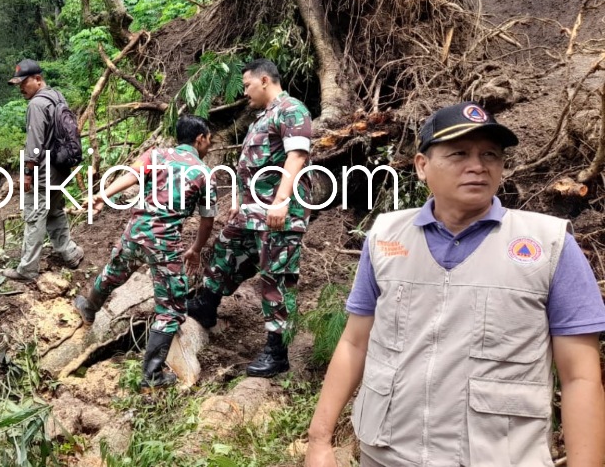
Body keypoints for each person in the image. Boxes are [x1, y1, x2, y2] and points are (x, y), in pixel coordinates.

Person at [305, 102, 605, 467]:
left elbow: (580, 378)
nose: (478, 166)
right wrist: (319, 441)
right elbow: (355, 343)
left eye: (490, 154)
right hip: (385, 456)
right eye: (459, 153)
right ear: (421, 166)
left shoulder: (551, 245)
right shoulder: (385, 236)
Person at [186, 58, 313, 378]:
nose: (245, 92)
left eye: (247, 86)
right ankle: (206, 305)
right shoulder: (263, 117)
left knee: (275, 276)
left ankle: (277, 349)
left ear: (266, 80)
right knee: (226, 248)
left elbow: (297, 154)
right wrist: (240, 201)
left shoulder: (291, 109)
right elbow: (253, 165)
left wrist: (282, 200)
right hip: (253, 210)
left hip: (278, 212)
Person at [73, 115, 217, 389]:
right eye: (209, 139)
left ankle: (89, 308)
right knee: (172, 310)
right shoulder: (204, 174)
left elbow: (131, 176)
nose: (209, 145)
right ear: (199, 139)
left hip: (136, 231)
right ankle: (151, 375)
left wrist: (103, 196)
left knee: (114, 272)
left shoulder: (156, 154)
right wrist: (195, 250)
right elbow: (207, 220)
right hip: (165, 243)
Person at [1, 59, 84, 281]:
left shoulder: (37, 105)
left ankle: (27, 269)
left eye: (23, 83)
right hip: (61, 169)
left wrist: (28, 173)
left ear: (38, 79)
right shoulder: (57, 97)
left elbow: (35, 143)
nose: (20, 88)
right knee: (55, 213)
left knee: (34, 217)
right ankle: (70, 253)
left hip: (43, 173)